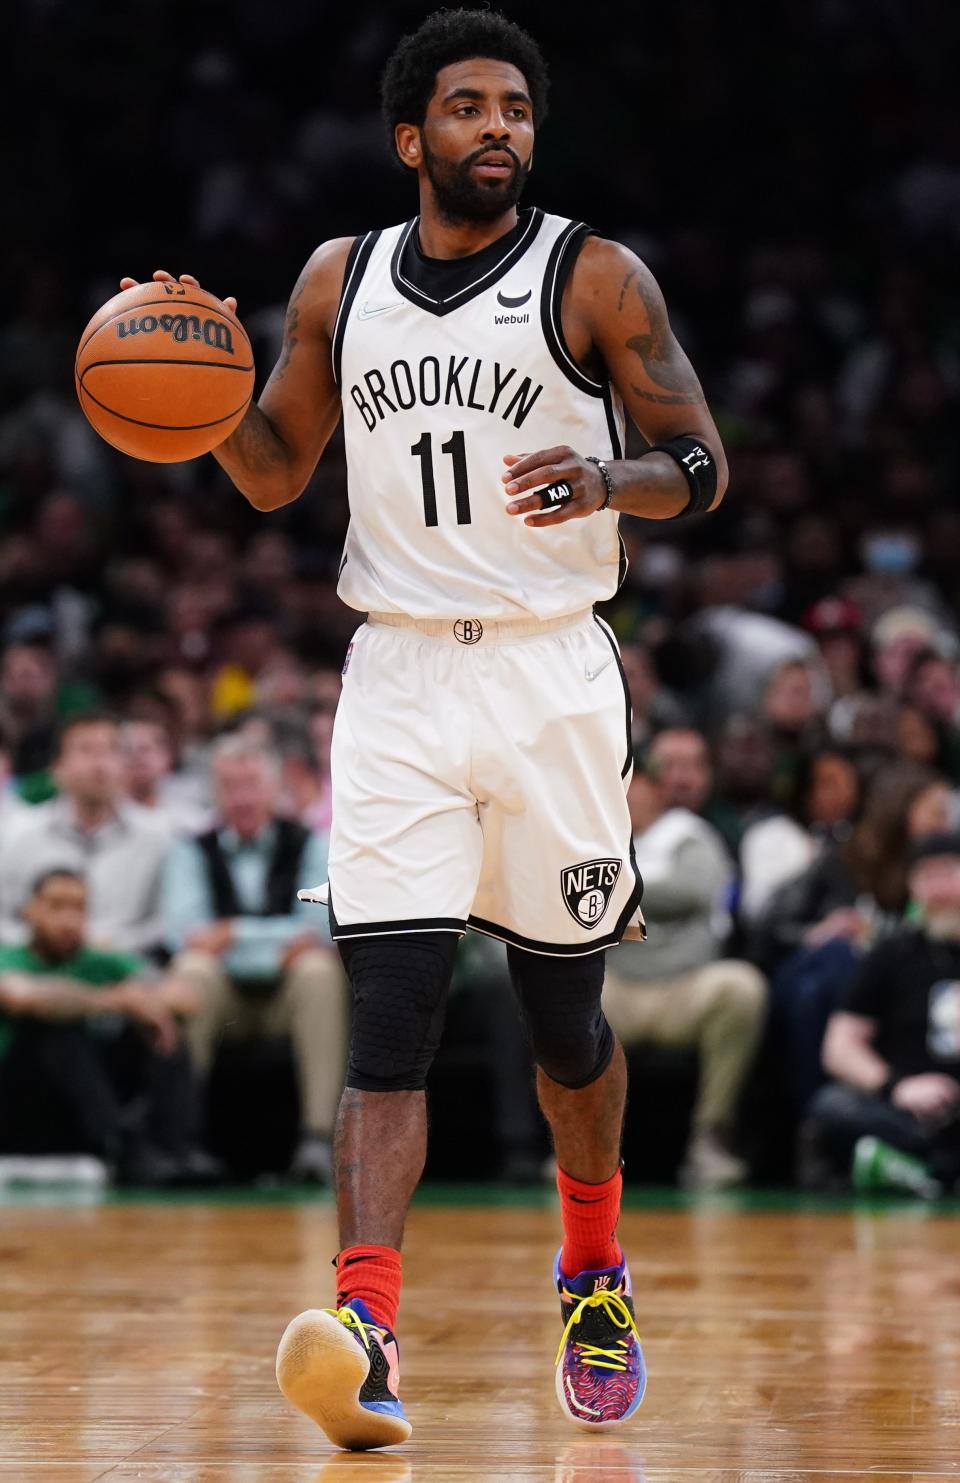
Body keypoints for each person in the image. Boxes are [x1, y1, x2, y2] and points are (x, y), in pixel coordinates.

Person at [122, 8, 728, 1447]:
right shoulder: (341, 279)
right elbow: (274, 471)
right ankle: (367, 1328)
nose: (498, 129)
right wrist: (201, 393)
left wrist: (610, 478)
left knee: (565, 1019)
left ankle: (591, 1266)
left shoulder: (596, 278)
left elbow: (702, 465)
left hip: (551, 679)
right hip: (396, 676)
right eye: (466, 108)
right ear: (412, 139)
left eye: (514, 107)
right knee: (387, 1024)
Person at [162, 734, 347, 1183]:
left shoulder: (311, 842)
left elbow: (321, 925)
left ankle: (317, 1141)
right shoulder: (190, 848)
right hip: (222, 996)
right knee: (191, 970)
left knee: (319, 970)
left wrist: (232, 935)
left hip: (288, 995)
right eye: (230, 785)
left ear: (274, 788)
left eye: (251, 784)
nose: (241, 797)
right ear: (214, 792)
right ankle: (180, 1141)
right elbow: (183, 933)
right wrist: (275, 943)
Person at [603, 769, 766, 1189]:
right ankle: (578, 1152)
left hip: (682, 989)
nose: (623, 793)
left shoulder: (688, 836)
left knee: (740, 988)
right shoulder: (597, 834)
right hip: (615, 989)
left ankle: (709, 1140)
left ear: (656, 790)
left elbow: (689, 891)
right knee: (549, 991)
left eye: (631, 783)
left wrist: (615, 884)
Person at [0, 868, 206, 1183]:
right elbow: (22, 997)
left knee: (159, 1024)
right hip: (18, 1100)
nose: (69, 920)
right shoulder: (8, 957)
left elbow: (186, 998)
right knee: (56, 1028)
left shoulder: (100, 961)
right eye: (56, 906)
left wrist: (148, 1004)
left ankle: (174, 1147)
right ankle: (120, 1149)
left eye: (79, 909)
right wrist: (114, 1000)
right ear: (29, 910)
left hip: (81, 1104)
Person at [803, 832, 960, 1195]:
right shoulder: (891, 954)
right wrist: (896, 1086)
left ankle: (921, 1175)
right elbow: (840, 1047)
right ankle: (937, 1175)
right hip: (911, 1115)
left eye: (948, 874)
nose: (939, 890)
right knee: (833, 1106)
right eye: (927, 877)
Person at [0, 713, 173, 957]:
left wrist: (102, 947)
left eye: (110, 750)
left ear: (125, 767)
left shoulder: (160, 836)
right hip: (34, 967)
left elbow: (166, 922)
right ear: (57, 768)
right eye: (86, 750)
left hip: (123, 969)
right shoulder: (19, 832)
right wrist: (44, 941)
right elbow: (4, 918)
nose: (100, 764)